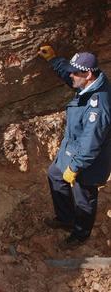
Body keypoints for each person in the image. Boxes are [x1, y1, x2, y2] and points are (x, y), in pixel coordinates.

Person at [38, 46, 111, 249]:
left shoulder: (99, 106)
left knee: (84, 198)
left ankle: (80, 234)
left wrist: (75, 167)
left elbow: (91, 143)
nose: (71, 75)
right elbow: (69, 76)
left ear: (87, 74)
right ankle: (65, 218)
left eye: (75, 72)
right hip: (73, 149)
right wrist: (54, 60)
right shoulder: (89, 83)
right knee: (55, 174)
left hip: (89, 161)